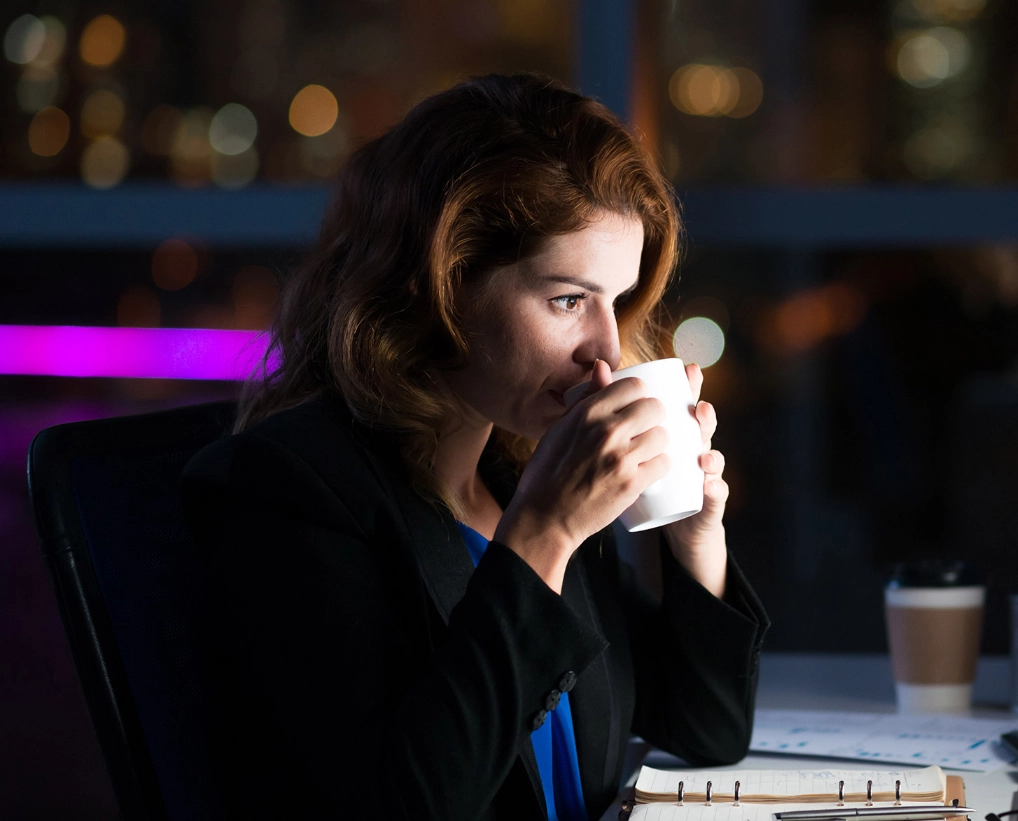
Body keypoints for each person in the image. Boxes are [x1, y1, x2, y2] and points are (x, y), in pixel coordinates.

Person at [182, 74, 768, 821]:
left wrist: (694, 538)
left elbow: (707, 728)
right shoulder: (285, 490)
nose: (607, 349)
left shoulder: (517, 472)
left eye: (615, 301)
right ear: (444, 285)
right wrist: (545, 532)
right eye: (567, 299)